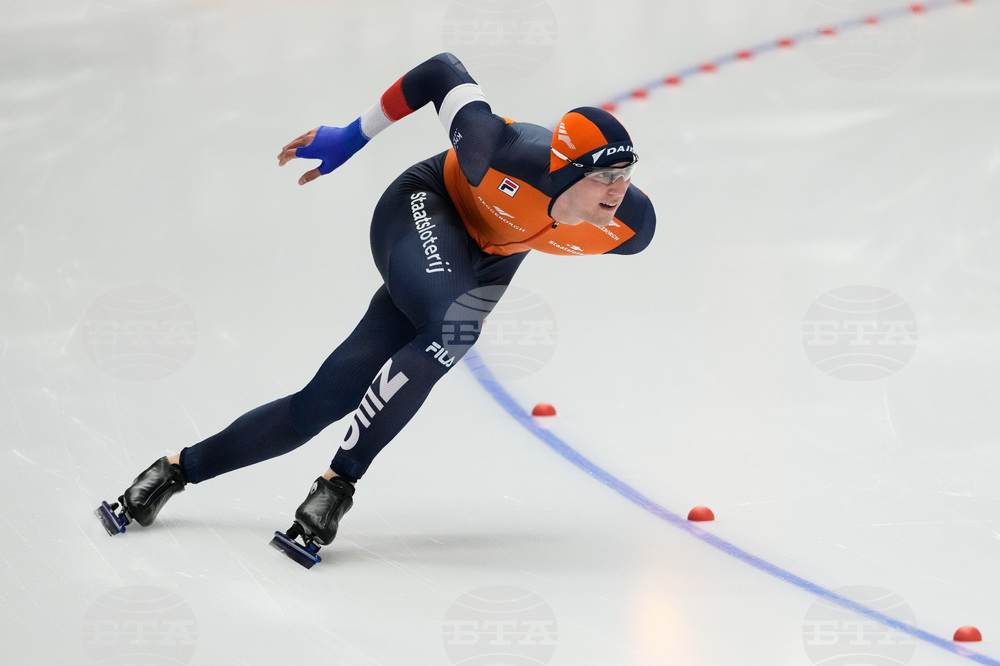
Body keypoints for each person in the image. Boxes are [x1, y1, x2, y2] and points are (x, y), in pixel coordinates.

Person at [99, 52, 656, 556]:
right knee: (456, 326)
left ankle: (175, 470)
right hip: (427, 206)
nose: (618, 190)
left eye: (625, 174)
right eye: (605, 176)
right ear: (563, 171)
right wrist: (350, 136)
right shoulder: (496, 150)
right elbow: (441, 71)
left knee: (321, 403)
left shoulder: (630, 227)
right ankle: (338, 484)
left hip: (483, 264)